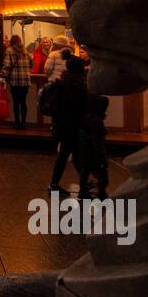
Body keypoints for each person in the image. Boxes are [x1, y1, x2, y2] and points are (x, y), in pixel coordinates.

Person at [48, 55, 88, 193]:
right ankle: (83, 185)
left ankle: (55, 184)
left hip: (62, 124)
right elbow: (82, 106)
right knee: (72, 155)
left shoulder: (61, 83)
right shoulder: (79, 86)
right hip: (73, 125)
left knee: (67, 154)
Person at [78, 93, 110, 199]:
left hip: (84, 148)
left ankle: (83, 191)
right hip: (95, 151)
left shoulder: (84, 119)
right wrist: (103, 158)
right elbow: (98, 143)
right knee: (100, 170)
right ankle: (101, 192)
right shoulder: (97, 122)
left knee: (85, 169)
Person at [2, 34, 30, 129]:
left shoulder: (9, 50)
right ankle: (23, 123)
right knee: (23, 101)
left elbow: (7, 65)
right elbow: (31, 63)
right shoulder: (25, 50)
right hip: (25, 80)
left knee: (16, 102)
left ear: (11, 41)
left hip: (15, 80)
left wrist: (3, 76)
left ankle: (17, 123)